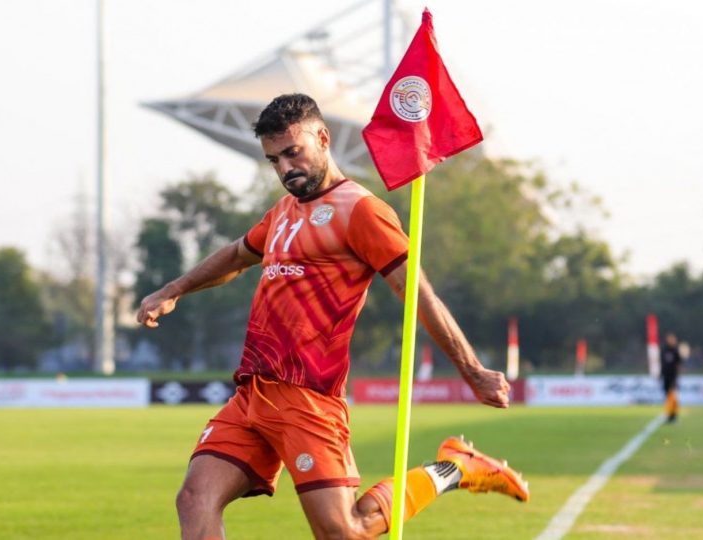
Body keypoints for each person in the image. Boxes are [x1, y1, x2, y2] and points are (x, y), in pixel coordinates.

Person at [137, 93, 528, 539]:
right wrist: (173, 290)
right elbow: (235, 256)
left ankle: (454, 467)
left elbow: (420, 296)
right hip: (253, 394)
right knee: (194, 498)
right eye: (273, 160)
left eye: (292, 153)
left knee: (346, 530)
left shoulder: (361, 211)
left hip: (309, 398)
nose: (285, 168)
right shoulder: (284, 211)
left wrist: (472, 370)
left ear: (323, 138)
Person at [660, 332, 682, 423]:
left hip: (673, 376)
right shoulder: (664, 350)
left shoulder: (675, 351)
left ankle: (674, 415)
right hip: (665, 376)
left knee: (673, 396)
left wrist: (677, 375)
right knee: (667, 396)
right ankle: (669, 414)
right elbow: (662, 363)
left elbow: (679, 364)